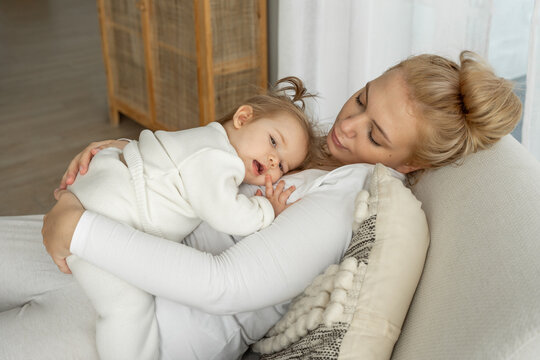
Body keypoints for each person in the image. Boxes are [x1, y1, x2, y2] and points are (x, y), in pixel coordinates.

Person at [1, 51, 521, 360]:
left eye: (376, 134)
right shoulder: (309, 149)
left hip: (140, 324)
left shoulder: (344, 200)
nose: (347, 125)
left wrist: (81, 228)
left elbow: (224, 285)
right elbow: (208, 160)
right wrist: (121, 155)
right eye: (362, 98)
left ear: (407, 165)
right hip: (119, 238)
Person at [64, 76, 315, 360]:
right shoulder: (219, 158)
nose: (272, 161)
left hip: (107, 181)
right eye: (273, 142)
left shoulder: (207, 138)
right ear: (243, 118)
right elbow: (226, 213)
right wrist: (267, 209)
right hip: (110, 206)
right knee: (128, 305)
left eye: (282, 165)